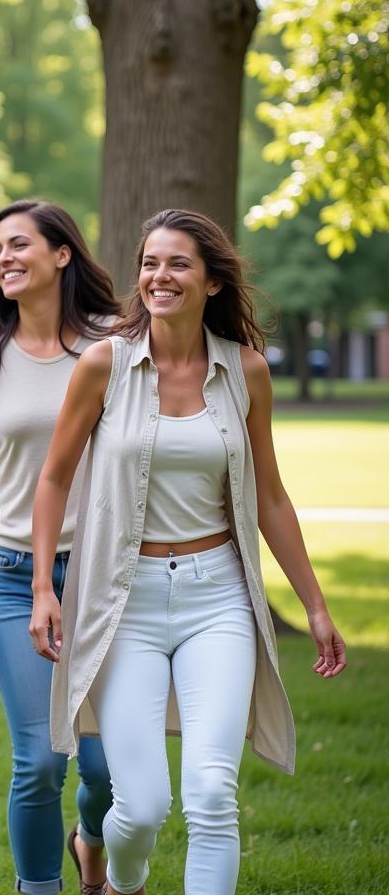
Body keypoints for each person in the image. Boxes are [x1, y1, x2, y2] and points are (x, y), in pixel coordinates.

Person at [30, 209, 347, 895]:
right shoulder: (104, 364)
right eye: (149, 263)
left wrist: (315, 606)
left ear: (210, 281)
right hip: (124, 600)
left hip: (217, 597)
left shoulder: (246, 372)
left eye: (177, 264)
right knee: (140, 807)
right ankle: (121, 878)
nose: (159, 276)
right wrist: (43, 589)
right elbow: (53, 477)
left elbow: (270, 499)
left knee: (211, 796)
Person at [0, 199, 120, 895]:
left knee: (106, 770)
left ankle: (91, 839)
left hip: (108, 576)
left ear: (62, 254)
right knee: (41, 761)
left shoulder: (115, 342)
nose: (3, 259)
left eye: (19, 245)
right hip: (16, 575)